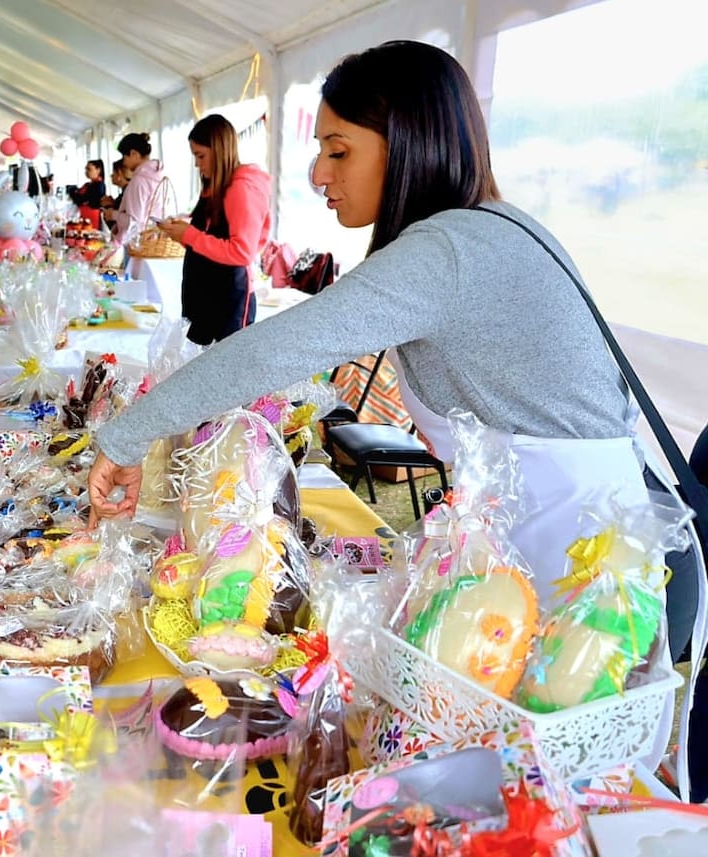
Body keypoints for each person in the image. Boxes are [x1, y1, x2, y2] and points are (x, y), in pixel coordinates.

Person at [90, 39, 659, 605]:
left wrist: (127, 437)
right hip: (551, 544)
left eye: (339, 152)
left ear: (411, 145)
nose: (318, 174)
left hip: (573, 563)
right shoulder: (491, 226)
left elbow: (268, 354)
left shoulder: (445, 251)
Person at [157, 114, 271, 345]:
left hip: (227, 298)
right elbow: (208, 236)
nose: (197, 164)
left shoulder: (241, 189)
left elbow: (241, 252)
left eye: (201, 156)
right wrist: (181, 233)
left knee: (223, 367)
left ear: (219, 151)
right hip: (201, 292)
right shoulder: (214, 185)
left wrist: (189, 235)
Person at [112, 131, 164, 242]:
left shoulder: (139, 181)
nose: (124, 162)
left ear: (134, 154)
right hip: (153, 240)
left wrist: (113, 215)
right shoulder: (158, 176)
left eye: (124, 156)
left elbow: (134, 223)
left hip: (136, 243)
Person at [68, 158, 106, 227]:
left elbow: (80, 200)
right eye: (86, 169)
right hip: (84, 217)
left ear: (98, 170)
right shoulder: (88, 185)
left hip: (92, 219)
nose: (86, 172)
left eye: (89, 169)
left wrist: (74, 194)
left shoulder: (98, 186)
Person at [101, 157, 130, 228]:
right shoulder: (127, 191)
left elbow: (116, 226)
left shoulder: (127, 193)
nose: (111, 175)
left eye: (113, 172)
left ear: (119, 173)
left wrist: (108, 206)